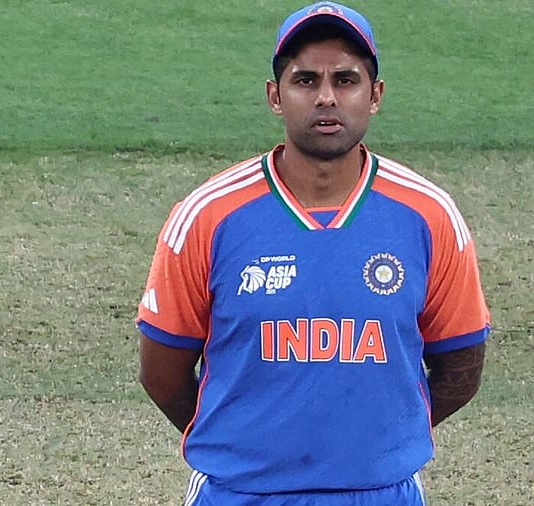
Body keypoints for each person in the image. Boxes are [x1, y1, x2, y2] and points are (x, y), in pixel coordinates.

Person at [135, 2, 490, 505]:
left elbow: (462, 366)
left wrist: (373, 442)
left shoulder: (429, 214)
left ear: (376, 96)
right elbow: (162, 373)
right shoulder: (207, 215)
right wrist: (248, 447)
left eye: (346, 80)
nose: (326, 97)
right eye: (305, 81)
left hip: (380, 493)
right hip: (241, 493)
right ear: (275, 96)